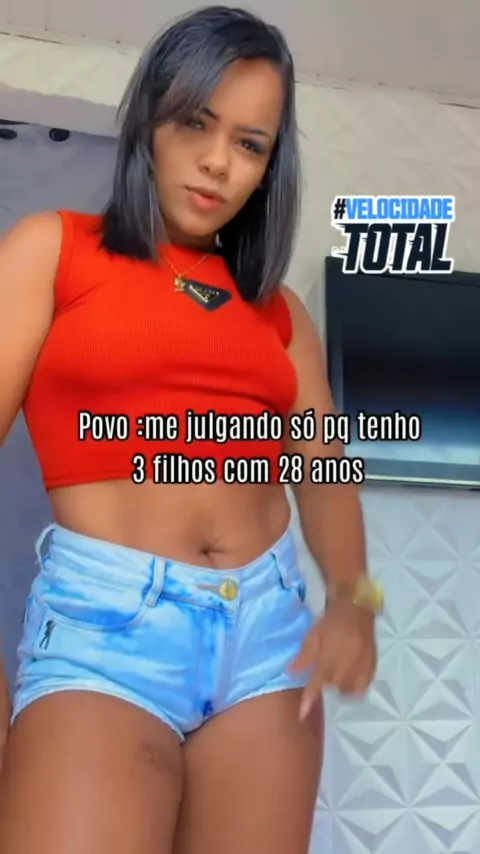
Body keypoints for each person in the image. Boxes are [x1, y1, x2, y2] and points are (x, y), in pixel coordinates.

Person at [0, 6, 381, 853]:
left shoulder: (279, 312)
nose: (218, 161)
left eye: (250, 143)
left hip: (268, 639)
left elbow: (324, 467)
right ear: (150, 121)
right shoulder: (54, 251)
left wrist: (355, 598)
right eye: (196, 123)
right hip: (104, 635)